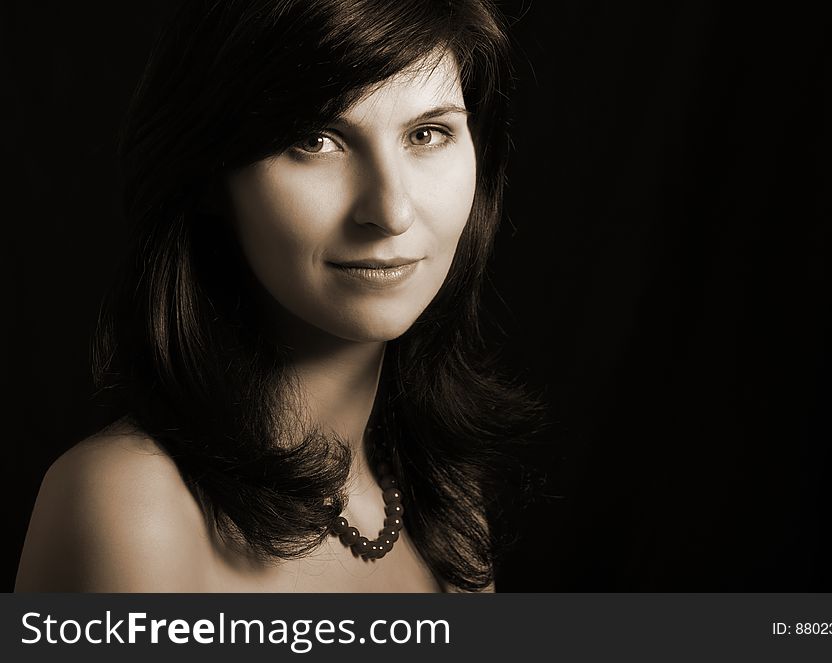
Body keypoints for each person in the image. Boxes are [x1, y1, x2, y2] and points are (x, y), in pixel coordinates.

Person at [15, 0, 540, 593]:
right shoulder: (131, 506)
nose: (391, 211)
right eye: (315, 140)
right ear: (210, 175)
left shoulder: (448, 505)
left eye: (428, 133)